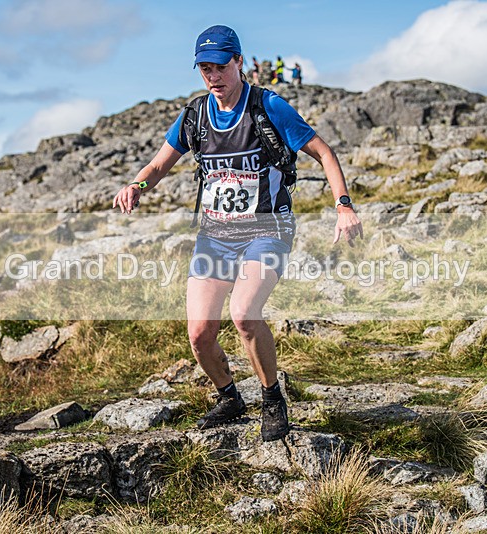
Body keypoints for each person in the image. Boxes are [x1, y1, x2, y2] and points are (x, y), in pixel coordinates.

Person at [112, 25, 362, 442]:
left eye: (220, 66)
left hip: (267, 229)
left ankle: (272, 397)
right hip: (215, 236)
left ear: (239, 62)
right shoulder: (195, 115)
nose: (213, 76)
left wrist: (343, 206)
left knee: (245, 314)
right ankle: (229, 396)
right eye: (205, 68)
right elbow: (158, 166)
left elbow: (323, 152)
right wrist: (136, 187)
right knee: (199, 333)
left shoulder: (268, 106)